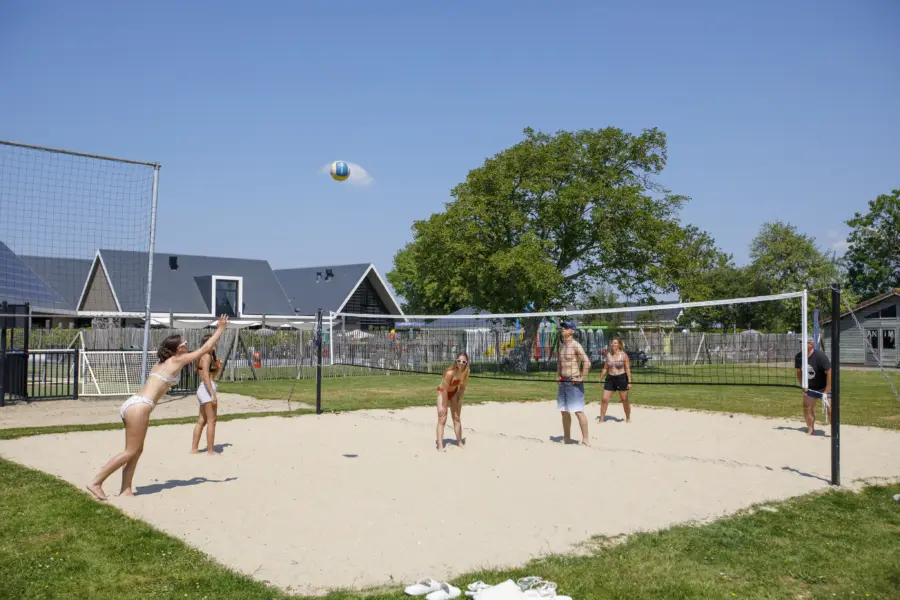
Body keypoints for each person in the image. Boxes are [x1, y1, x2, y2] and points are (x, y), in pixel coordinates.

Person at [86, 315, 229, 501]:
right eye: (184, 343)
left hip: (134, 404)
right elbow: (205, 349)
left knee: (136, 450)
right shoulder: (176, 360)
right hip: (140, 406)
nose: (187, 345)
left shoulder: (163, 362)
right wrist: (220, 329)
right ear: (178, 349)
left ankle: (126, 489)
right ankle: (96, 482)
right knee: (130, 451)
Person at [556, 321, 591, 445]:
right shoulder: (562, 346)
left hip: (573, 382)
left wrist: (582, 377)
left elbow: (587, 362)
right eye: (562, 328)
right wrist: (557, 375)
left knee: (578, 411)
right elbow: (560, 363)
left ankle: (586, 439)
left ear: (572, 331)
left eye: (566, 328)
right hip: (563, 382)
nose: (563, 329)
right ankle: (567, 438)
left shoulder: (576, 345)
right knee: (564, 411)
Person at [191, 333, 224, 455]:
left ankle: (194, 449)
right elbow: (205, 376)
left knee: (202, 420)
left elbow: (211, 377)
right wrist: (212, 394)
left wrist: (218, 368)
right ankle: (210, 451)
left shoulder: (206, 356)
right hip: (206, 389)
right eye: (214, 341)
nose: (216, 343)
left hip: (205, 388)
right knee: (212, 421)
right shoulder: (206, 356)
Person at [794, 337, 832, 435]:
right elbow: (799, 373)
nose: (801, 344)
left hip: (824, 386)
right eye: (800, 342)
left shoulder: (820, 356)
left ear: (811, 344)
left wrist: (827, 390)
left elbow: (829, 373)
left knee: (831, 409)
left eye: (803, 342)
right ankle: (811, 429)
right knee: (807, 407)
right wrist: (804, 386)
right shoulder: (799, 356)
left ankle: (834, 429)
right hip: (810, 387)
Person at [436, 352, 470, 450]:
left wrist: (459, 400)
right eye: (459, 361)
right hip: (443, 392)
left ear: (466, 363)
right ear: (456, 361)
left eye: (463, 361)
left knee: (457, 418)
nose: (461, 363)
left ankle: (459, 442)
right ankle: (440, 445)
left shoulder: (466, 372)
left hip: (454, 392)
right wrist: (444, 405)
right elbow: (445, 390)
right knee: (442, 417)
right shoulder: (449, 373)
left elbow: (462, 387)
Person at [596, 336, 633, 423]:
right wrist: (600, 379)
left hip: (621, 378)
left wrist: (630, 381)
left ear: (619, 345)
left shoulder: (624, 355)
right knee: (604, 399)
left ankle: (628, 417)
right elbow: (605, 368)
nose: (613, 344)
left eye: (615, 343)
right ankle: (601, 419)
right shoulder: (608, 355)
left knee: (624, 399)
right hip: (610, 378)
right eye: (612, 343)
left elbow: (627, 369)